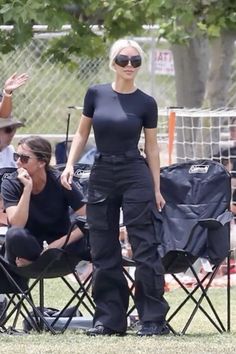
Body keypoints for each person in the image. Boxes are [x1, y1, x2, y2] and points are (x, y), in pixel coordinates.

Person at [61, 38, 170, 336]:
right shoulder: (95, 94)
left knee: (144, 246)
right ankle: (109, 320)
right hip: (102, 172)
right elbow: (82, 135)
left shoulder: (146, 102)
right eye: (124, 60)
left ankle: (152, 319)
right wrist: (70, 164)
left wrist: (157, 188)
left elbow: (152, 147)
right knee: (103, 247)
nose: (130, 66)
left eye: (136, 61)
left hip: (135, 173)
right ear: (113, 61)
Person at [1, 136, 88, 267]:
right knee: (14, 234)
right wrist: (27, 189)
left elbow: (89, 218)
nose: (18, 163)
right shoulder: (11, 183)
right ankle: (30, 269)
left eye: (24, 158)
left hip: (60, 248)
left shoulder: (60, 181)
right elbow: (17, 225)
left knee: (94, 231)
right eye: (16, 157)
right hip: (27, 247)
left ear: (42, 162)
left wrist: (55, 246)